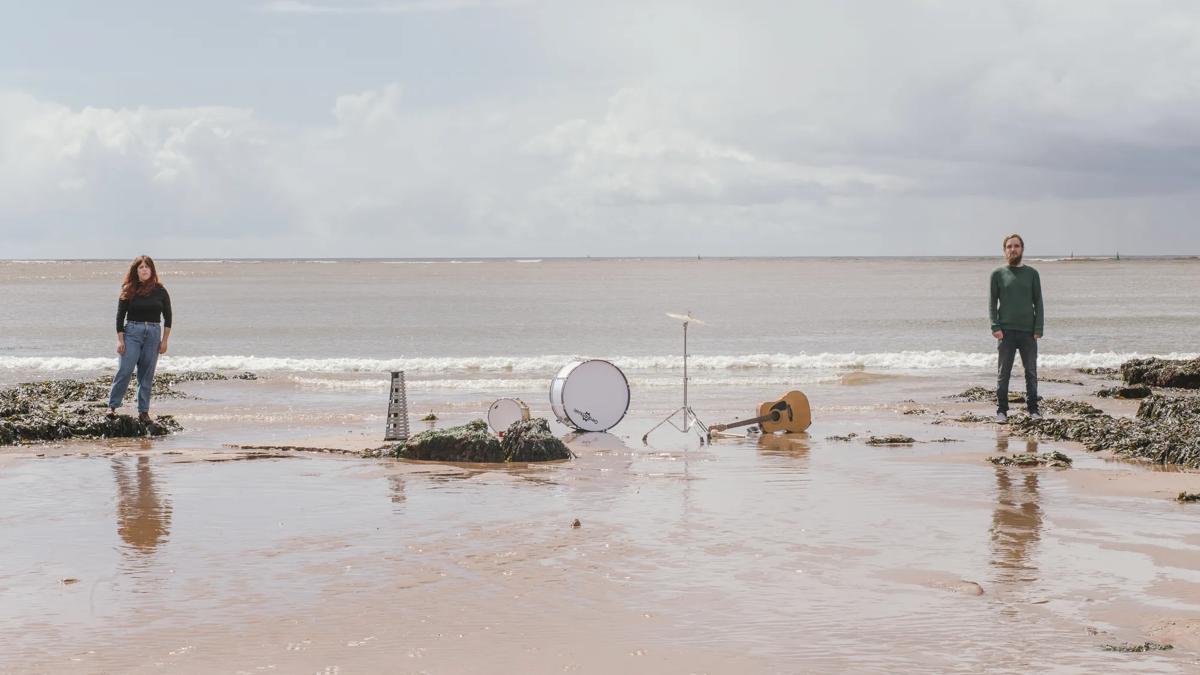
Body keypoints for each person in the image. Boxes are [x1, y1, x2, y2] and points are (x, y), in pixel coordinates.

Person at [107, 256, 173, 423]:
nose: (144, 269)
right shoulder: (128, 289)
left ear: (152, 270)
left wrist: (164, 341)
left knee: (146, 375)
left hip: (153, 333)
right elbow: (119, 317)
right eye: (141, 267)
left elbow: (168, 317)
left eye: (147, 267)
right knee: (125, 370)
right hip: (132, 332)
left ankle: (143, 412)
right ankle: (112, 407)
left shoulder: (161, 291)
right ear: (136, 271)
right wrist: (120, 340)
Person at [989, 234, 1043, 423]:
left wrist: (1039, 328)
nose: (1013, 249)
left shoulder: (1032, 274)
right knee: (1004, 373)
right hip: (1006, 332)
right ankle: (1001, 411)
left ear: (1022, 248)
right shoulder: (997, 274)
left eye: (1017, 246)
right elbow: (992, 303)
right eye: (1009, 246)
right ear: (1004, 250)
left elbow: (1039, 302)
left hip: (1028, 332)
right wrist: (995, 326)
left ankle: (1033, 409)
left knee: (1031, 372)